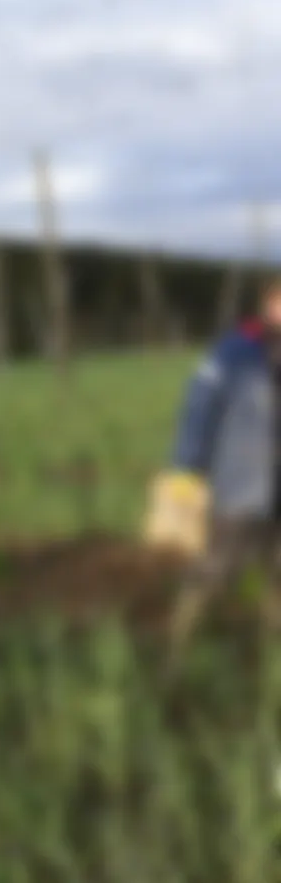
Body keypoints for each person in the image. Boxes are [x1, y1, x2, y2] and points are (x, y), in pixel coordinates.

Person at [161, 275, 281, 664]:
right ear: (269, 304)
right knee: (217, 567)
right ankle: (177, 649)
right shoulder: (233, 351)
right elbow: (199, 407)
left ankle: (271, 651)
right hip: (242, 481)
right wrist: (186, 465)